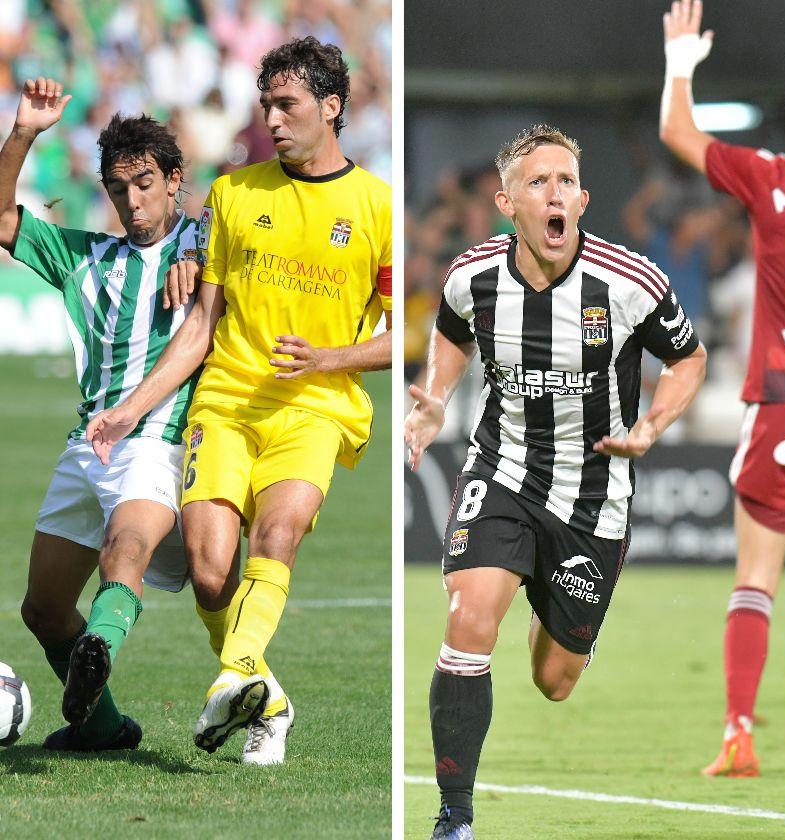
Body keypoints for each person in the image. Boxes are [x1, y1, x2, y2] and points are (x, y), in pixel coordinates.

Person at [86, 37, 392, 765]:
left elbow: (403, 340)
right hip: (225, 402)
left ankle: (235, 673)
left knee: (278, 535)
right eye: (266, 105)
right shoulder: (233, 193)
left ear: (331, 107)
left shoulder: (378, 206)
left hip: (316, 405)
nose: (273, 118)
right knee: (210, 571)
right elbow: (201, 323)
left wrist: (333, 358)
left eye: (286, 105)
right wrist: (132, 407)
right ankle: (265, 696)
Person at [404, 124, 707, 840]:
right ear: (507, 201)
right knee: (469, 618)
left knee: (555, 680)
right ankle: (455, 818)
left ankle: (560, 615)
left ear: (584, 199)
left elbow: (688, 361)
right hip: (503, 470)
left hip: (593, 498)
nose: (555, 193)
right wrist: (435, 399)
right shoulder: (471, 276)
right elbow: (451, 332)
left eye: (566, 180)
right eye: (538, 182)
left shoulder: (629, 283)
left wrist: (655, 423)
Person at [3, 78, 201, 751]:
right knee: (43, 609)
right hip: (85, 445)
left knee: (127, 550)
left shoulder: (207, 255)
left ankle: (102, 643)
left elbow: (242, 225)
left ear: (175, 181)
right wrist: (25, 132)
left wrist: (199, 245)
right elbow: (2, 221)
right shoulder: (85, 256)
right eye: (120, 189)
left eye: (145, 183)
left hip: (157, 442)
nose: (133, 200)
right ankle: (106, 728)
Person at [658, 0, 785, 777]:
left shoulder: (776, 182)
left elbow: (678, 135)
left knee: (756, 578)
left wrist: (681, 60)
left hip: (779, 403)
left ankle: (740, 734)